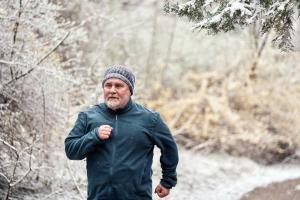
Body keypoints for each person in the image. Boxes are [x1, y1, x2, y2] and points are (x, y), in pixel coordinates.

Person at [65, 65, 179, 200]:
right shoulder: (88, 116)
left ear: (130, 90)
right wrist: (94, 136)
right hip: (98, 196)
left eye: (118, 86)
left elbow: (170, 148)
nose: (112, 90)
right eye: (108, 85)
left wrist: (167, 181)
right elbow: (71, 150)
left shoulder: (149, 119)